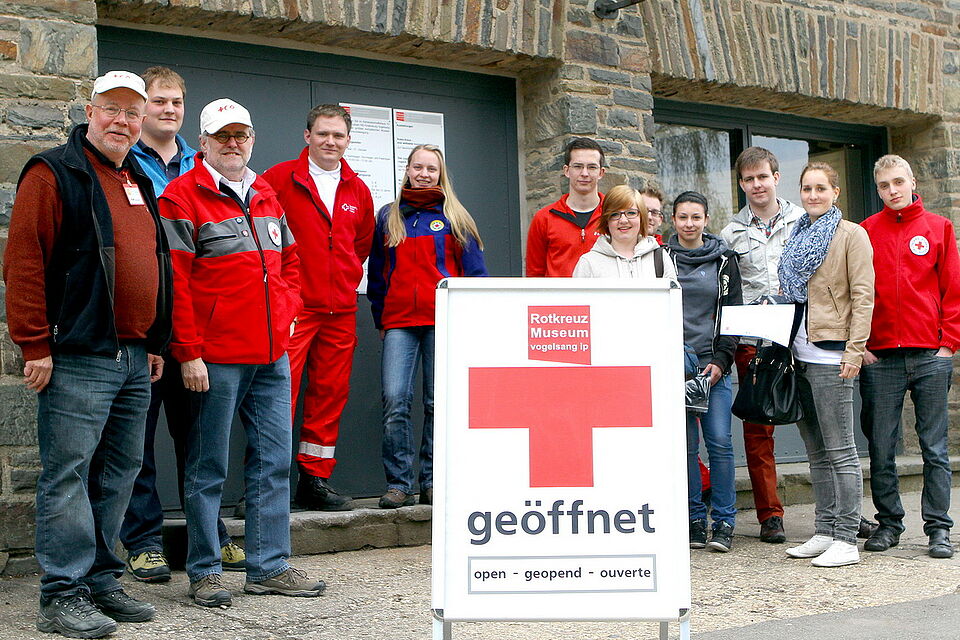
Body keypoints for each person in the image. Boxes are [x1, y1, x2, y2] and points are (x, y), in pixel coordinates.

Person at [4, 70, 169, 638]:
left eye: (132, 113)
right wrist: (34, 343)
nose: (122, 121)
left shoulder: (136, 178)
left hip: (133, 355)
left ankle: (99, 578)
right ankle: (62, 593)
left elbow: (155, 261)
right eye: (112, 109)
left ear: (141, 121)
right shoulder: (53, 172)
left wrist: (153, 339)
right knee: (69, 473)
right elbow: (24, 260)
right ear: (91, 110)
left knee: (120, 472)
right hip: (78, 353)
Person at [160, 98, 324, 607]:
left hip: (272, 355)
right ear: (203, 143)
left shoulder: (266, 193)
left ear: (252, 139)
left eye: (241, 135)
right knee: (208, 466)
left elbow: (290, 262)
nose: (233, 144)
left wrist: (288, 315)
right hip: (214, 358)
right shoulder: (180, 197)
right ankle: (205, 571)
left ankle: (268, 566)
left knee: (273, 463)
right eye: (222, 135)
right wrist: (188, 352)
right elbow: (175, 283)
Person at [121, 66, 243, 583]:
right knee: (138, 439)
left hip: (197, 323)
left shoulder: (202, 162)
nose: (168, 109)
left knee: (200, 439)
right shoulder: (124, 162)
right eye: (159, 101)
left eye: (176, 102)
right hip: (146, 321)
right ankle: (144, 541)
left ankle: (209, 533)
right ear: (142, 107)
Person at [263, 104, 374, 512]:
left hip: (340, 311)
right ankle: (266, 486)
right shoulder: (279, 179)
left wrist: (341, 280)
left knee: (330, 395)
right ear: (307, 136)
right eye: (323, 133)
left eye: (338, 135)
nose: (330, 141)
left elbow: (360, 245)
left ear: (348, 141)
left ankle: (314, 480)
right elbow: (264, 238)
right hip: (295, 309)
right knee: (279, 395)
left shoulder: (358, 189)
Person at [367, 144, 487, 508]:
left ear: (440, 174)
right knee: (395, 400)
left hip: (443, 322)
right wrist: (381, 318)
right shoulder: (389, 216)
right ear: (407, 170)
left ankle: (433, 481)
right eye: (417, 167)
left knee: (438, 404)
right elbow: (377, 275)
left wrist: (468, 320)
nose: (423, 174)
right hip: (399, 322)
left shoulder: (456, 217)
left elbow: (476, 276)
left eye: (431, 169)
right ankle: (399, 484)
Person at [860, 154, 960, 559]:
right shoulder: (867, 231)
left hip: (930, 355)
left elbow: (952, 289)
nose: (893, 191)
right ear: (878, 189)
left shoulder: (939, 227)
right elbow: (856, 290)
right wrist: (862, 345)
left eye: (898, 182)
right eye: (884, 185)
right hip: (880, 357)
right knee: (881, 447)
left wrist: (947, 344)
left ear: (912, 181)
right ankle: (889, 524)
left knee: (934, 448)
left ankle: (938, 529)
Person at [779, 162, 874, 567]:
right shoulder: (797, 234)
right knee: (816, 451)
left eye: (821, 188)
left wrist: (855, 350)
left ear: (835, 192)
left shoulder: (852, 234)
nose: (813, 195)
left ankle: (847, 538)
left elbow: (864, 296)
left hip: (833, 357)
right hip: (799, 354)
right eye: (807, 188)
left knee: (841, 451)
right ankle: (824, 529)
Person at [720, 146, 804, 544]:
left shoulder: (803, 221)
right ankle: (770, 515)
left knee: (819, 426)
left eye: (763, 177)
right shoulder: (730, 233)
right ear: (741, 184)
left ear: (776, 178)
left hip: (801, 336)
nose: (757, 185)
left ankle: (841, 513)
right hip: (754, 342)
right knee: (758, 430)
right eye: (749, 179)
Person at [667, 191, 742, 553]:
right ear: (673, 220)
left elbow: (733, 315)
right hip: (675, 367)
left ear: (706, 220)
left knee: (720, 444)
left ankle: (724, 521)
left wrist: (722, 361)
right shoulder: (660, 259)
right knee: (685, 448)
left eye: (696, 217)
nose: (689, 224)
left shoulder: (725, 260)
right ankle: (695, 519)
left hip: (714, 367)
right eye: (683, 217)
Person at [525, 137, 605, 276]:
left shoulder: (614, 215)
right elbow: (534, 275)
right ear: (566, 170)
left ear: (601, 173)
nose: (584, 173)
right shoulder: (544, 219)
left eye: (592, 167)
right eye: (578, 166)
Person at [573, 184, 676, 280]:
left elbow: (672, 293)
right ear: (606, 220)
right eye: (614, 214)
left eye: (631, 213)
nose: (623, 220)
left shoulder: (660, 259)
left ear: (642, 217)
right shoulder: (588, 263)